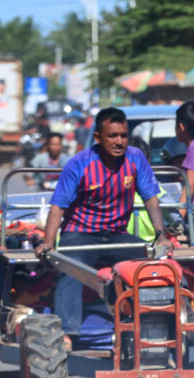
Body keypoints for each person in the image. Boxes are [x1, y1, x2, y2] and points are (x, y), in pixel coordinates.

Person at [36, 107, 167, 349]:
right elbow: (58, 206)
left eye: (123, 136)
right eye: (112, 136)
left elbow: (151, 198)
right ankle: (68, 332)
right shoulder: (80, 163)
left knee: (151, 266)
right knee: (69, 267)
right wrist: (48, 242)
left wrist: (161, 237)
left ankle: (151, 324)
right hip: (80, 234)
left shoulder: (136, 158)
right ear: (98, 138)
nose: (119, 142)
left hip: (117, 235)